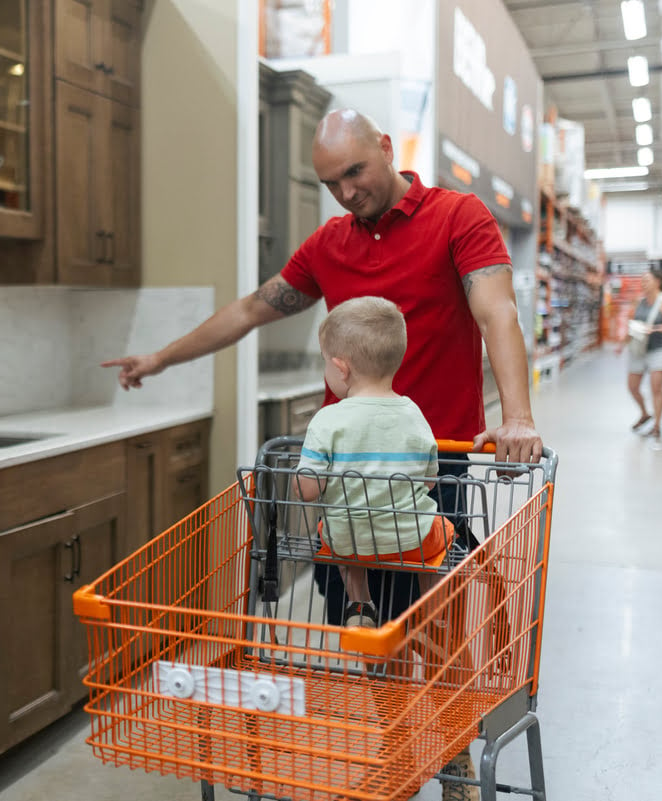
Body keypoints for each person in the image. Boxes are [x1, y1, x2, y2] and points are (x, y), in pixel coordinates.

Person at [102, 108, 543, 799]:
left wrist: (517, 416)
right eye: (330, 181)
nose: (345, 192)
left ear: (387, 150)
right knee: (365, 632)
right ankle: (397, 743)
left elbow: (497, 312)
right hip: (343, 480)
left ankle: (452, 748)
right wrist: (160, 357)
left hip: (432, 463)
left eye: (355, 172)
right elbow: (252, 309)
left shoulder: (459, 216)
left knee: (442, 624)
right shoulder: (330, 244)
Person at [291, 297, 451, 628]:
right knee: (440, 529)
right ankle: (431, 602)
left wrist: (297, 479)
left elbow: (308, 490)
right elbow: (429, 480)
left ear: (341, 368)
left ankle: (360, 603)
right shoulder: (413, 414)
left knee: (337, 533)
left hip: (351, 540)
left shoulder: (327, 420)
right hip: (411, 540)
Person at [624, 266, 662, 441]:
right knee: (632, 386)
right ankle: (644, 413)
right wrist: (622, 343)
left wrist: (655, 328)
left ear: (657, 282)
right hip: (639, 349)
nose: (643, 283)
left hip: (659, 349)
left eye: (647, 280)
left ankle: (657, 426)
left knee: (656, 389)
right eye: (642, 280)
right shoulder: (639, 302)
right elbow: (631, 323)